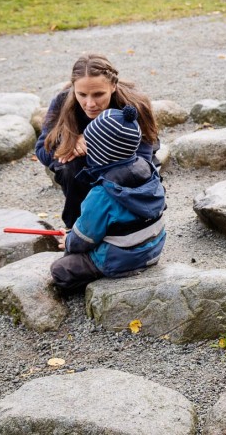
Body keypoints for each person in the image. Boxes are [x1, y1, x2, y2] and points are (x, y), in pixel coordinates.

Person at [49, 105, 166, 294]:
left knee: (60, 270)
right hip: (153, 250)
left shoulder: (102, 193)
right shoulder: (147, 169)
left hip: (120, 258)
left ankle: (92, 284)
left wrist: (70, 239)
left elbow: (84, 238)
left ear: (99, 153)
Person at [36, 54, 159, 229]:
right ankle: (76, 228)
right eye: (82, 94)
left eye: (99, 94)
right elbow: (41, 150)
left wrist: (94, 142)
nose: (90, 103)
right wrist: (69, 143)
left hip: (127, 163)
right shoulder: (62, 101)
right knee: (69, 168)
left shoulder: (134, 104)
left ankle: (124, 224)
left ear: (113, 86)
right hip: (82, 166)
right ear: (73, 88)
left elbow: (142, 163)